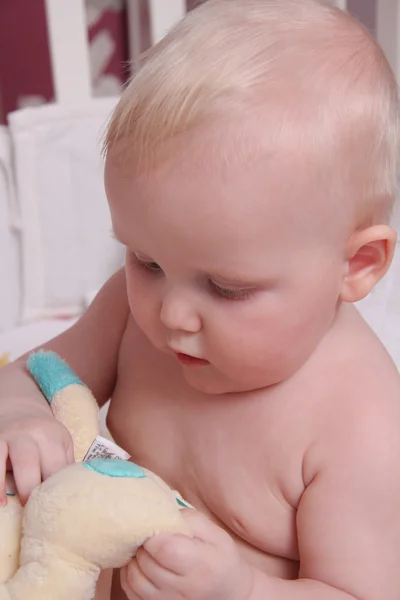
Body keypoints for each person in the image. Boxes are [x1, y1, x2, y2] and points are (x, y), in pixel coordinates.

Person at [1, 1, 400, 598]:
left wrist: (243, 589)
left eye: (226, 288)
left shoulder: (361, 424)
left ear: (357, 266)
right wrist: (22, 417)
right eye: (147, 260)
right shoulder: (129, 313)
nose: (171, 314)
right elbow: (32, 374)